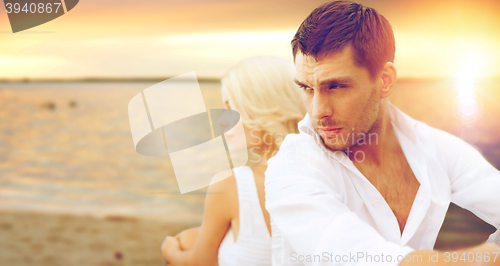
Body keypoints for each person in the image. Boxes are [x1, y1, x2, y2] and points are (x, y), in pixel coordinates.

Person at [264, 1, 500, 265]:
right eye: (307, 88)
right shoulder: (292, 169)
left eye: (336, 86)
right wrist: (485, 258)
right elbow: (364, 258)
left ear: (385, 80)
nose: (319, 111)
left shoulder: (434, 147)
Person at [161, 56, 306, 265]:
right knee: (194, 237)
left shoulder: (233, 183)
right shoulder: (327, 172)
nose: (222, 120)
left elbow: (201, 261)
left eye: (231, 107)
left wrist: (170, 250)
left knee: (183, 242)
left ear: (263, 107)